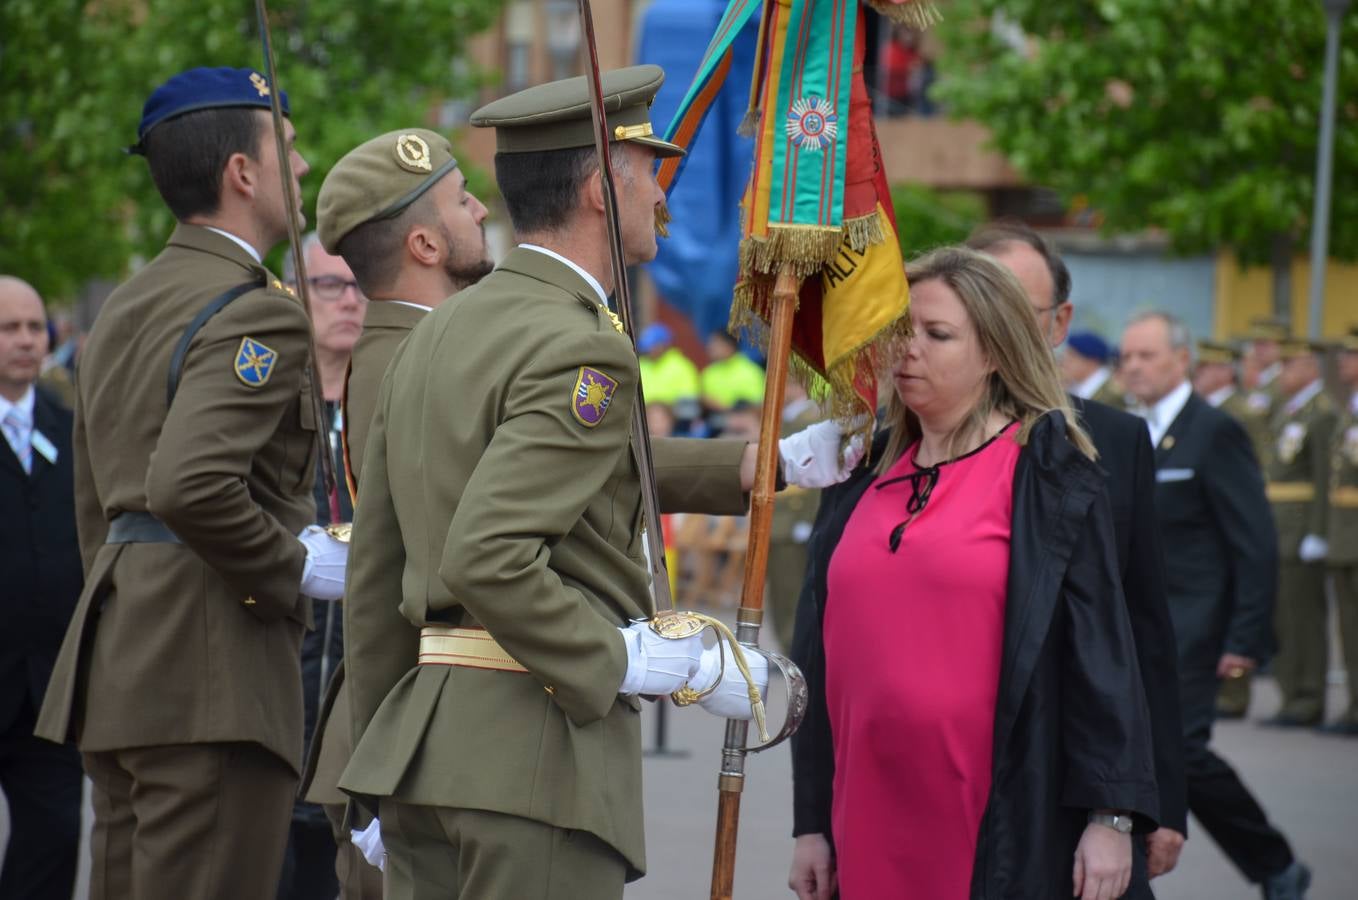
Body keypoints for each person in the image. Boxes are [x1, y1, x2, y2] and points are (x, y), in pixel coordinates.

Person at [338, 66, 858, 900]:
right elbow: (488, 555)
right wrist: (634, 658)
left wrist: (769, 464)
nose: (662, 195)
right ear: (595, 187)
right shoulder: (582, 343)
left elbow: (378, 570)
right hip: (532, 760)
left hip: (421, 756)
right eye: (649, 168)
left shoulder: (440, 331)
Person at [33, 67, 350, 900]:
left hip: (127, 656)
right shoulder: (260, 309)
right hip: (213, 674)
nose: (306, 165)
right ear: (240, 174)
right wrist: (295, 566)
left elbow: (97, 501)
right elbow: (189, 484)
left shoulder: (128, 305)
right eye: (287, 147)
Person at [789, 246, 1158, 900]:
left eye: (937, 335)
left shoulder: (1047, 475)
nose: (909, 350)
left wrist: (1111, 816)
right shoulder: (860, 472)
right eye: (902, 330)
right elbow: (817, 653)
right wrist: (810, 821)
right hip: (866, 810)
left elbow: (1102, 653)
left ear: (993, 352)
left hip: (994, 815)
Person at [299, 126, 494, 899]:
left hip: (410, 735)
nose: (479, 210)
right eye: (460, 200)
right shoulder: (408, 359)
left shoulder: (423, 346)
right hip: (410, 739)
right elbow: (404, 576)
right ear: (424, 242)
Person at [966, 222, 1188, 875]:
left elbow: (1143, 626)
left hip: (1074, 763)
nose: (1000, 328)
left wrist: (1162, 799)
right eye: (983, 306)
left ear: (1059, 321)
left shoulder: (1115, 442)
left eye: (1018, 311)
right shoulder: (904, 446)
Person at [1120, 312, 1310, 899]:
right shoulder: (1127, 429)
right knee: (1144, 750)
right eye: (1127, 357)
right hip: (1136, 627)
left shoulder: (1214, 430)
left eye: (1147, 355)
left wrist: (1246, 637)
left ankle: (1274, 863)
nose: (1134, 367)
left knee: (1183, 752)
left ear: (1183, 360)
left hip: (1195, 627)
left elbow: (1253, 542)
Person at [276, 233, 367, 900]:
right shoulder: (268, 409)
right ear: (294, 293)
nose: (349, 300)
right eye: (329, 285)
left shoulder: (389, 409)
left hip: (360, 703)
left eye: (360, 284)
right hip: (278, 690)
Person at [0, 276, 82, 900]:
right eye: (9, 329)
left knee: (55, 834)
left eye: (35, 327)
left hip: (50, 689)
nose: (26, 341)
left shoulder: (67, 425)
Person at [1264, 339, 1337, 728]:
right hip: (1280, 527)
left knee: (1304, 618)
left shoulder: (1321, 413)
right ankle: (1292, 694)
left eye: (1290, 365)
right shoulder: (1291, 410)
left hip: (1301, 526)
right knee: (1285, 618)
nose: (1282, 373)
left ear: (1311, 367)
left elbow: (1326, 476)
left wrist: (1318, 531)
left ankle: (1308, 697)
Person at [768, 377, 823, 651]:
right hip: (778, 520)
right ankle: (789, 647)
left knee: (791, 592)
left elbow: (812, 477)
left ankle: (793, 650)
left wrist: (805, 521)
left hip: (792, 521)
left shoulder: (806, 419)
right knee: (780, 591)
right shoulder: (788, 417)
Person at [1324, 326, 1358, 736]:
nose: (1343, 363)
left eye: (1351, 356)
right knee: (1348, 628)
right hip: (1345, 534)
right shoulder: (1348, 409)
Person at [636, 321, 700, 405]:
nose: (648, 350)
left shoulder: (682, 366)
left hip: (673, 415)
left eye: (652, 346)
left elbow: (689, 399)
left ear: (664, 344)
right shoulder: (640, 364)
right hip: (642, 413)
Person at [700, 329, 766, 411]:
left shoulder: (750, 371)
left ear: (730, 346)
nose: (711, 348)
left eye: (717, 344)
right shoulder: (709, 372)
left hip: (740, 419)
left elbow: (755, 406)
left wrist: (724, 407)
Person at [1062, 329, 1124, 408]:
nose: (1064, 362)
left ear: (1092, 361)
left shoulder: (1112, 397)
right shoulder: (1073, 387)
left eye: (1072, 357)